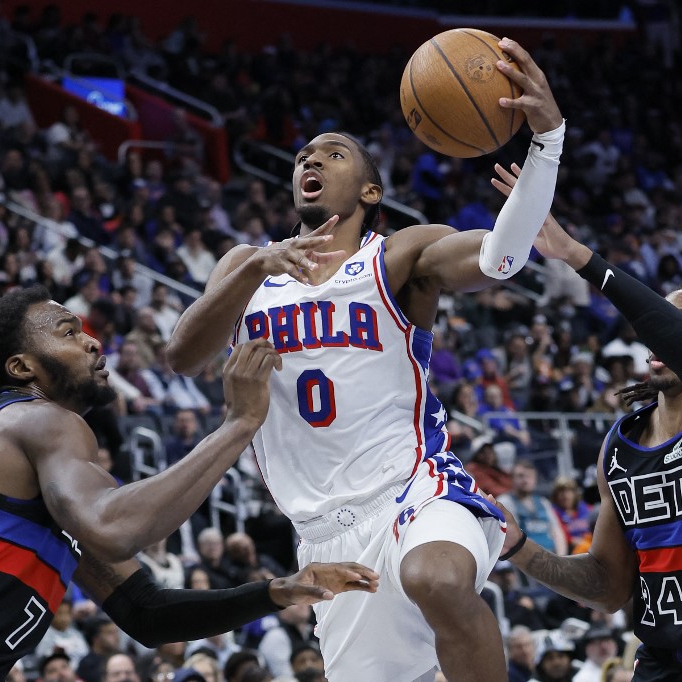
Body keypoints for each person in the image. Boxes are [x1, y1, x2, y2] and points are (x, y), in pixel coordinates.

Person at [165, 36, 565, 682]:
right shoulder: (247, 268)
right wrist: (254, 269)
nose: (310, 159)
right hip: (323, 534)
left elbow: (501, 259)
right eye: (303, 155)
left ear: (371, 191)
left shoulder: (398, 256)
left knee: (435, 576)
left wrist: (547, 141)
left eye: (333, 152)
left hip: (414, 489)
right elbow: (183, 355)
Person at [0, 285, 378, 681]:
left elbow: (146, 613)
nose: (92, 339)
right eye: (67, 332)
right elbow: (115, 528)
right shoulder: (36, 419)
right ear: (22, 367)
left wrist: (279, 590)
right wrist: (238, 424)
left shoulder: (44, 488)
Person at [486, 198, 682, 681]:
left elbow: (673, 337)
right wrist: (521, 550)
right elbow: (609, 585)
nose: (657, 333)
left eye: (676, 323)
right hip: (658, 665)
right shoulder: (619, 447)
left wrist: (580, 258)